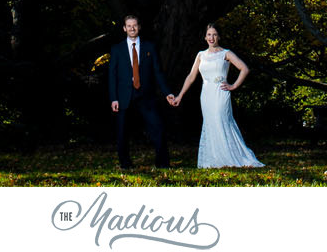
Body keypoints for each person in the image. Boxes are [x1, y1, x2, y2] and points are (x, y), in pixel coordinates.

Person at [168, 23, 262, 168]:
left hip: (221, 93)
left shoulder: (226, 53)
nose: (212, 38)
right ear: (205, 37)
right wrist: (180, 96)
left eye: (215, 34)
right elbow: (191, 76)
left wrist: (233, 85)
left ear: (219, 36)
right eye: (209, 35)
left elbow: (244, 69)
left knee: (221, 120)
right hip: (206, 95)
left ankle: (230, 157)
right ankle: (214, 159)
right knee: (211, 123)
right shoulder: (200, 55)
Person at [106, 14, 169, 170]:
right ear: (124, 28)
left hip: (145, 95)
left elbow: (158, 72)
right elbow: (112, 75)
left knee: (157, 127)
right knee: (122, 132)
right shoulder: (117, 49)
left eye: (134, 25)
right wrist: (113, 98)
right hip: (123, 97)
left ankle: (162, 163)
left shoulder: (150, 47)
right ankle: (125, 164)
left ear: (139, 27)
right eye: (129, 26)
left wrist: (167, 92)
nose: (132, 28)